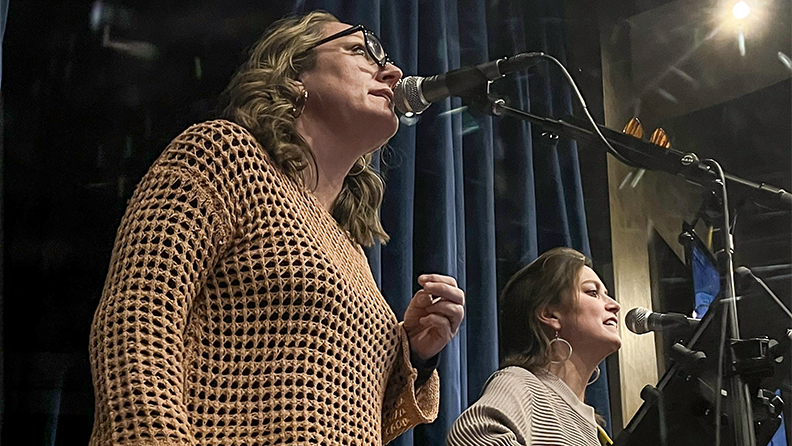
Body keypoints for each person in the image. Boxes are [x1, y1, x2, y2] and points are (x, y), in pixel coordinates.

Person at [88, 11, 465, 446]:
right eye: (361, 50)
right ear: (294, 74)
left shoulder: (351, 250)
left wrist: (413, 355)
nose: (394, 71)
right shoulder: (222, 156)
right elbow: (136, 325)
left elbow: (339, 415)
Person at [446, 247, 619, 446]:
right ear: (550, 315)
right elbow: (471, 437)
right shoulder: (521, 384)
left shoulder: (592, 428)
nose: (614, 304)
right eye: (593, 292)